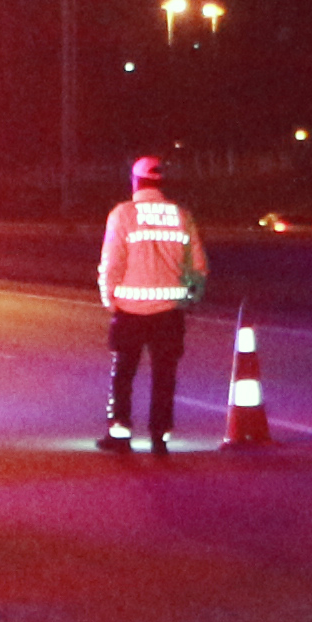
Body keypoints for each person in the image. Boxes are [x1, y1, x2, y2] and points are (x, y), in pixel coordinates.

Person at [94, 153, 209, 452]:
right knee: (165, 376)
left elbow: (111, 263)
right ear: (161, 182)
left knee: (123, 374)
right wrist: (189, 299)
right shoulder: (182, 215)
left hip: (130, 312)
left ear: (136, 181)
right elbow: (198, 267)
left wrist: (111, 300)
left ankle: (120, 434)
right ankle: (160, 437)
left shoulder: (123, 214)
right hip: (169, 315)